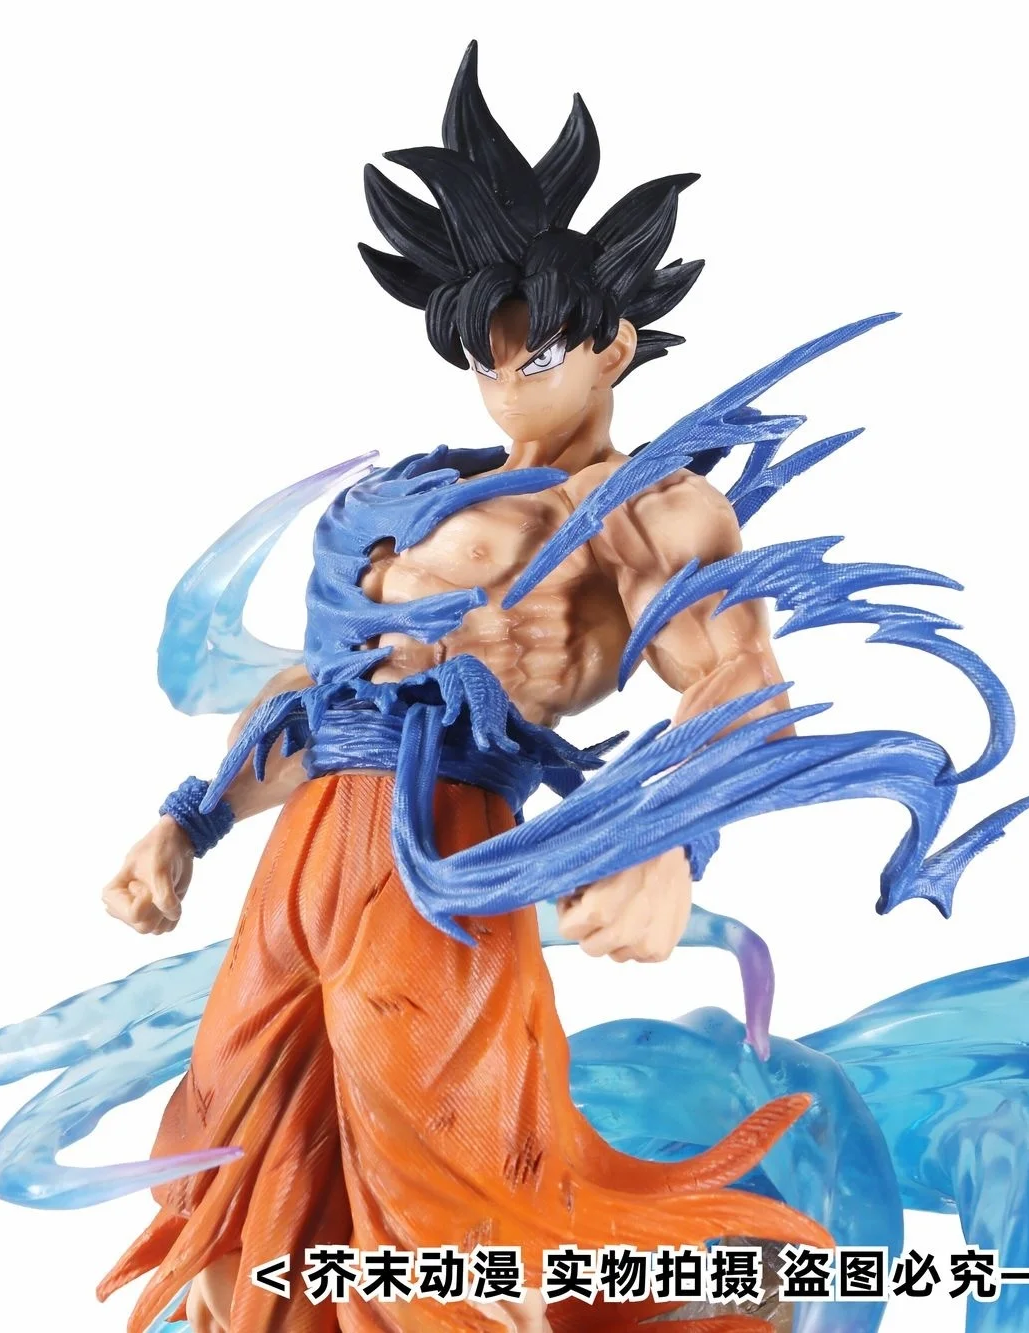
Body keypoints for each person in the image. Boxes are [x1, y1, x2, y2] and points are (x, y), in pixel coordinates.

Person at [96, 43, 830, 1333]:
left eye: (533, 356)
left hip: (443, 856)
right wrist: (192, 820)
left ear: (613, 346)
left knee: (442, 1194)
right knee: (226, 1167)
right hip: (308, 855)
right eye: (486, 360)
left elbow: (743, 680)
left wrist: (672, 846)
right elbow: (323, 695)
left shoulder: (651, 507)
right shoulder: (409, 498)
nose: (504, 386)